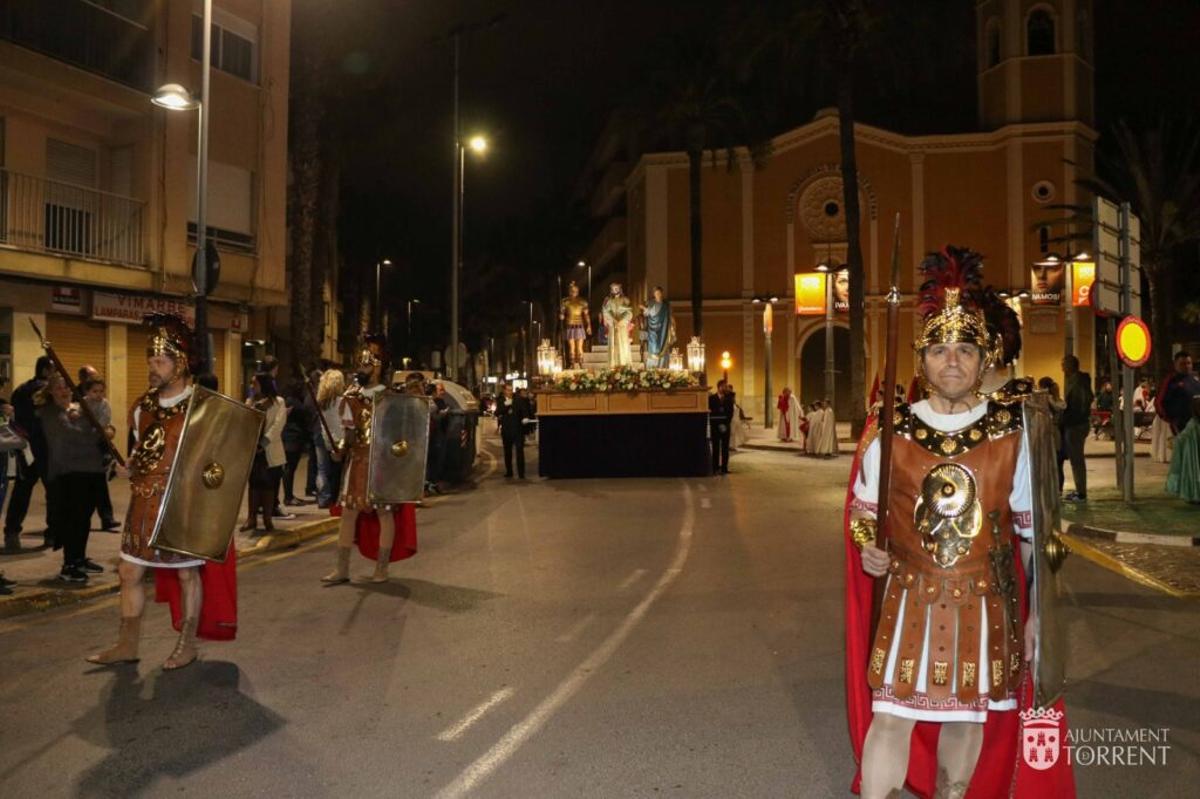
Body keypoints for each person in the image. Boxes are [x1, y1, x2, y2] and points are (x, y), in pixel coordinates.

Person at [846, 245, 1073, 799]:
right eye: (941, 349)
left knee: (966, 719)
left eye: (965, 349)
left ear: (984, 357)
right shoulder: (890, 430)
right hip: (908, 596)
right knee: (892, 717)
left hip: (986, 600)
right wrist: (866, 548)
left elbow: (1033, 533)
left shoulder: (1012, 433)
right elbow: (863, 513)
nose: (953, 360)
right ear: (922, 361)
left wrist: (1038, 611)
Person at [88, 313, 238, 670]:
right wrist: (130, 465)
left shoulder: (203, 408)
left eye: (161, 360)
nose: (152, 367)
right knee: (129, 572)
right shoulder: (143, 406)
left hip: (183, 506)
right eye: (150, 360)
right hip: (144, 505)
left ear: (181, 362)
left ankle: (187, 644)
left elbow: (220, 465)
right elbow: (142, 449)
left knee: (187, 574)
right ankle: (128, 644)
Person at [322, 335, 411, 583]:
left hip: (381, 461)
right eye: (360, 364)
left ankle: (381, 569)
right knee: (349, 512)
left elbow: (399, 435)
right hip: (357, 459)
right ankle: (342, 569)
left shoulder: (388, 397)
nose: (361, 368)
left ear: (378, 366)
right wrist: (339, 448)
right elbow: (348, 430)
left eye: (366, 363)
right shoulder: (352, 395)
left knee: (384, 513)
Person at [38, 373, 107, 582]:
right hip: (68, 473)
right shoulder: (50, 413)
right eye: (59, 387)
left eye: (67, 386)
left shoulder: (77, 410)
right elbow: (73, 436)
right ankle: (69, 563)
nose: (64, 391)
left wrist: (100, 428)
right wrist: (99, 431)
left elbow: (99, 426)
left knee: (83, 519)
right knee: (72, 520)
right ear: (51, 391)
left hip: (89, 471)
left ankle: (79, 557)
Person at [3, 356, 55, 552]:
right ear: (46, 370)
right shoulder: (47, 391)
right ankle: (53, 534)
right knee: (53, 492)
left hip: (27, 448)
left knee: (21, 491)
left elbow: (15, 418)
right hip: (46, 448)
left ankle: (12, 532)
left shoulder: (20, 390)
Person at [241, 373, 283, 533]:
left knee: (269, 485)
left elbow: (278, 425)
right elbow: (245, 422)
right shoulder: (250, 402)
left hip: (270, 450)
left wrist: (264, 442)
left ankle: (267, 519)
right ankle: (251, 518)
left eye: (254, 383)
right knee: (254, 485)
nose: (252, 386)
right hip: (254, 449)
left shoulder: (278, 402)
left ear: (263, 384)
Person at [80, 377, 120, 532]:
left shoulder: (104, 405)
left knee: (99, 483)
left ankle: (107, 518)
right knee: (87, 486)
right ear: (87, 392)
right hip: (82, 449)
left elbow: (103, 424)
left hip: (97, 446)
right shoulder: (82, 404)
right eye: (94, 391)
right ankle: (87, 518)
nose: (98, 394)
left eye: (101, 391)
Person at [1061, 355, 1092, 502]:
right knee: (1076, 460)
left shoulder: (1077, 382)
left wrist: (1066, 418)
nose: (1062, 367)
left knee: (1077, 460)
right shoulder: (1078, 380)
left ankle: (1081, 492)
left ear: (1071, 366)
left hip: (1076, 425)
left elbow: (1078, 405)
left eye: (1064, 364)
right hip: (1078, 423)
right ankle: (1080, 490)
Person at [313, 368, 345, 508]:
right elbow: (341, 423)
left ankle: (323, 498)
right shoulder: (342, 401)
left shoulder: (321, 401)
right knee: (338, 471)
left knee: (322, 470)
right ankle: (335, 498)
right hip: (338, 439)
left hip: (322, 436)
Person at [280, 380, 311, 506]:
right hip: (293, 438)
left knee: (290, 468)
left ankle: (289, 495)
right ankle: (288, 497)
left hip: (291, 437)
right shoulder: (294, 402)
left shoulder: (290, 400)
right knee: (289, 468)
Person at [1157, 351, 1200, 436]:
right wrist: (1172, 421)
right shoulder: (1170, 381)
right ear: (1175, 365)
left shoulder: (1196, 381)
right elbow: (1159, 403)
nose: (1187, 366)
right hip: (1178, 428)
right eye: (1182, 364)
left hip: (1195, 427)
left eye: (1189, 363)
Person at [1166, 396, 1200, 504]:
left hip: (1194, 457)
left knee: (1194, 471)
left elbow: (1182, 439)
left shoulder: (1192, 425)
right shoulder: (1193, 425)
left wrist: (1175, 440)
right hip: (1195, 455)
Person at [495, 384, 532, 479]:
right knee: (507, 452)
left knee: (519, 451)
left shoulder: (518, 399)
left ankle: (521, 473)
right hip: (507, 430)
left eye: (511, 390)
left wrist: (525, 417)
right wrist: (505, 406)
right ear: (504, 391)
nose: (510, 392)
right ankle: (509, 471)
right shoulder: (500, 400)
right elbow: (497, 412)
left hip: (517, 429)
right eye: (508, 390)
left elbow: (524, 410)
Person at [1039, 376, 1067, 491]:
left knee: (1052, 464)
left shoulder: (1047, 400)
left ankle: (1053, 489)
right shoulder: (1059, 400)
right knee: (1059, 465)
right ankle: (1058, 489)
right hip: (1059, 435)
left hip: (1052, 435)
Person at [640, 286, 675, 369]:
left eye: (659, 293)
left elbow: (670, 316)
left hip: (663, 328)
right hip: (652, 328)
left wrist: (673, 327)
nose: (658, 295)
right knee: (654, 345)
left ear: (662, 294)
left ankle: (662, 365)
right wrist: (645, 309)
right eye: (656, 293)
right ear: (654, 294)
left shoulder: (666, 305)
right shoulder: (650, 303)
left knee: (663, 345)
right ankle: (653, 366)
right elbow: (645, 312)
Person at [601, 282, 634, 367]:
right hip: (613, 326)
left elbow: (629, 312)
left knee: (623, 344)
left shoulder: (625, 300)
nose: (615, 290)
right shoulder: (609, 301)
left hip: (621, 326)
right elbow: (606, 312)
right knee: (613, 344)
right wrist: (613, 320)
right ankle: (613, 364)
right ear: (611, 290)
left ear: (620, 289)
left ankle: (623, 363)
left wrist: (621, 321)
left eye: (617, 288)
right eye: (613, 289)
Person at [560, 281, 591, 369]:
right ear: (569, 291)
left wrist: (589, 325)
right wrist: (561, 315)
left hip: (579, 325)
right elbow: (562, 313)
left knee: (580, 346)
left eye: (575, 290)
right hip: (570, 325)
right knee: (572, 346)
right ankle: (573, 363)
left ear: (578, 291)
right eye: (572, 290)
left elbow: (586, 315)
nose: (573, 292)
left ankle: (581, 363)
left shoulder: (582, 302)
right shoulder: (565, 301)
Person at [708, 380, 734, 474]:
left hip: (725, 426)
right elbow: (710, 412)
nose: (726, 388)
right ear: (719, 387)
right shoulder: (711, 398)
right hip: (715, 426)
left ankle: (724, 468)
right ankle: (715, 468)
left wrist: (725, 424)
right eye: (724, 386)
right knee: (715, 447)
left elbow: (731, 413)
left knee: (725, 448)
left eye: (726, 386)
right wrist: (718, 423)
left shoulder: (729, 399)